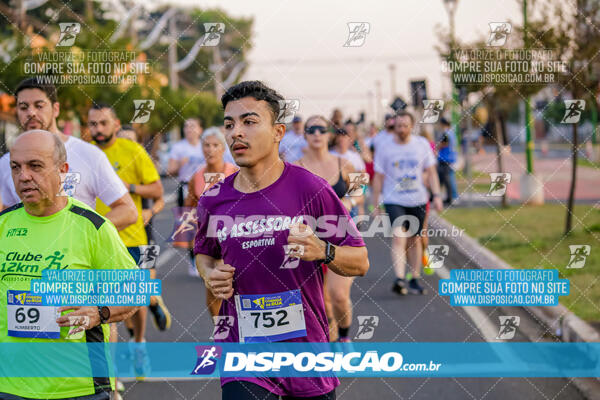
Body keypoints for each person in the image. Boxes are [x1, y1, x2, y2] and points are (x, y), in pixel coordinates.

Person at [194, 81, 369, 400]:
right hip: (244, 356)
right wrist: (209, 274)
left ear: (278, 132)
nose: (236, 133)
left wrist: (323, 250)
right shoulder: (214, 200)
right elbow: (204, 255)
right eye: (229, 124)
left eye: (249, 122)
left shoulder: (310, 189)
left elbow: (360, 262)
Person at [0, 130, 139, 400]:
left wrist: (100, 312)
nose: (23, 176)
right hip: (10, 386)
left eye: (35, 166)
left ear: (62, 170)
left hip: (78, 387)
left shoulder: (93, 226)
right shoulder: (3, 225)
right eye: (16, 167)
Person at [88, 104, 171, 377]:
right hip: (98, 240)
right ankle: (109, 372)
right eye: (93, 124)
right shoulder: (84, 153)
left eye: (103, 123)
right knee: (106, 303)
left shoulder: (133, 151)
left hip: (135, 236)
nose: (97, 129)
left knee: (137, 298)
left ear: (115, 124)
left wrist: (130, 188)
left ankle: (139, 345)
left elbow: (157, 189)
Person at [0, 78, 137, 231]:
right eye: (23, 107)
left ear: (56, 109)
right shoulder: (7, 163)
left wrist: (80, 233)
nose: (31, 113)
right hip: (29, 254)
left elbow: (128, 211)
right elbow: (8, 213)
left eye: (39, 106)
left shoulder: (88, 154)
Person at [296, 116, 365, 344]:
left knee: (338, 296)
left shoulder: (344, 163)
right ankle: (332, 344)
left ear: (328, 135)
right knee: (322, 300)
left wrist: (349, 202)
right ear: (304, 135)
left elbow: (359, 189)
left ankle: (345, 337)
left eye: (321, 129)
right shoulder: (295, 167)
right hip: (310, 240)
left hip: (342, 236)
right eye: (311, 129)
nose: (317, 133)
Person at [372, 111, 443, 295]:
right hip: (393, 198)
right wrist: (376, 204)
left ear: (412, 126)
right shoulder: (385, 147)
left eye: (405, 126)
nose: (402, 129)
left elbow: (432, 172)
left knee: (415, 239)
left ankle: (414, 277)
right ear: (393, 127)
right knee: (398, 236)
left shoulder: (421, 145)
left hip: (418, 198)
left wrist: (436, 195)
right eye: (398, 126)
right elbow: (378, 177)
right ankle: (399, 278)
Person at [184, 127, 238, 315]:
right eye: (206, 145)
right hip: (209, 241)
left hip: (235, 239)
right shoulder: (197, 177)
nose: (210, 149)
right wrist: (187, 239)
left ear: (223, 149)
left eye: (215, 145)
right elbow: (189, 208)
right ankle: (220, 332)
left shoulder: (236, 173)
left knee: (236, 290)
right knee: (213, 292)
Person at [117, 125, 164, 245]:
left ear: (138, 143)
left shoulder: (143, 167)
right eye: (121, 141)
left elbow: (160, 200)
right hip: (116, 234)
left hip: (143, 229)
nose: (126, 145)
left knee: (148, 264)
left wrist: (150, 212)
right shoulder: (109, 166)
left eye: (130, 141)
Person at [167, 118, 205, 207]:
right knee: (187, 218)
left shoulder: (206, 145)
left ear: (200, 129)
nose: (189, 129)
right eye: (186, 126)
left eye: (192, 126)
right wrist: (181, 163)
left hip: (205, 186)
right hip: (186, 187)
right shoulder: (178, 147)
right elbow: (169, 171)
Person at [436, 117, 459, 205]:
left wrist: (437, 146)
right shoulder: (452, 133)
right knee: (447, 178)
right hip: (450, 158)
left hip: (445, 159)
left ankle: (452, 197)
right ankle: (450, 197)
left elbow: (444, 143)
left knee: (448, 179)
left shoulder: (446, 133)